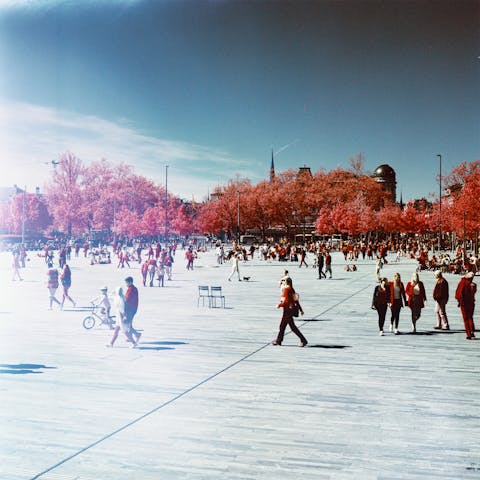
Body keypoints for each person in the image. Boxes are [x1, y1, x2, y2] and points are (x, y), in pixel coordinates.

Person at [272, 277, 308, 347]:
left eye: (283, 280)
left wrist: (279, 305)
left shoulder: (286, 289)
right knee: (283, 326)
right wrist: (300, 309)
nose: (282, 282)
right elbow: (296, 300)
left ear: (287, 282)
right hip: (290, 310)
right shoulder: (292, 289)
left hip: (287, 311)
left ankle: (303, 340)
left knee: (290, 327)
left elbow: (286, 301)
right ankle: (279, 340)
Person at [455, 271, 477, 340]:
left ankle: (468, 334)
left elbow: (459, 293)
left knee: (465, 319)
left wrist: (459, 301)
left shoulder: (462, 282)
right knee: (470, 317)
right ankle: (472, 330)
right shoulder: (473, 285)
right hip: (471, 303)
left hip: (464, 303)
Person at [124, 276, 142, 343]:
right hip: (133, 308)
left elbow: (127, 299)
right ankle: (130, 336)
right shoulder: (132, 288)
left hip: (130, 309)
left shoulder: (131, 289)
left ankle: (137, 334)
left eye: (126, 282)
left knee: (127, 324)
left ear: (130, 282)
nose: (126, 284)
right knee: (129, 323)